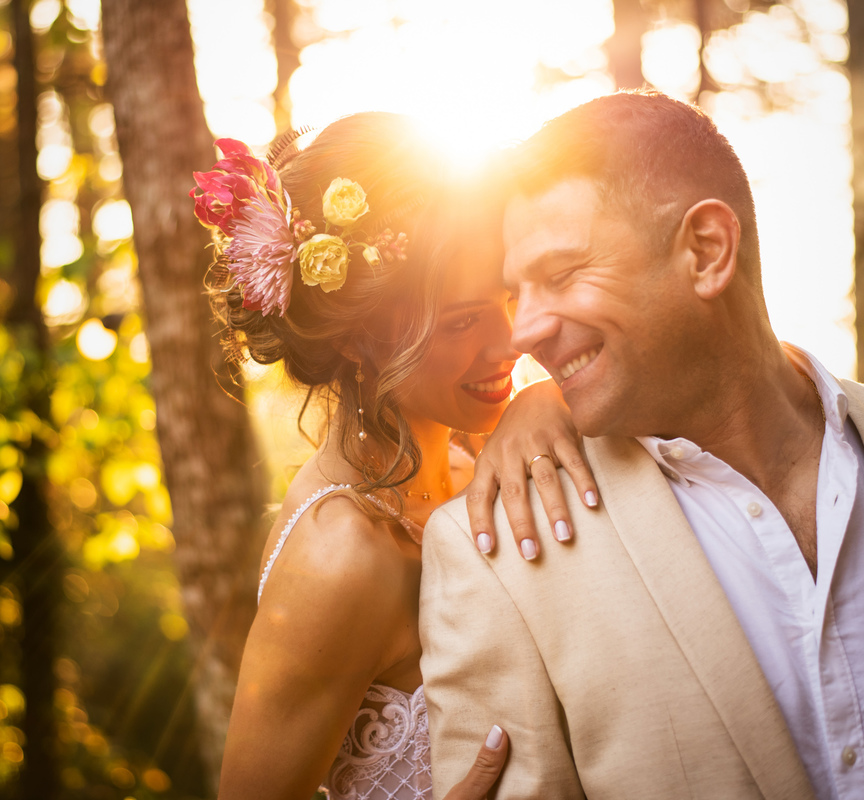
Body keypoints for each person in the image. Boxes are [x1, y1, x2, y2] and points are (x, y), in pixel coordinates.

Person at [420, 91, 864, 799]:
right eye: (517, 292)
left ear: (706, 250)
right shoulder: (493, 553)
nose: (521, 332)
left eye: (559, 275)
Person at [192, 113, 599, 800]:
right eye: (463, 321)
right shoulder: (344, 558)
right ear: (356, 340)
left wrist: (544, 404)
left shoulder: (475, 457)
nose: (513, 342)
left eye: (506, 298)